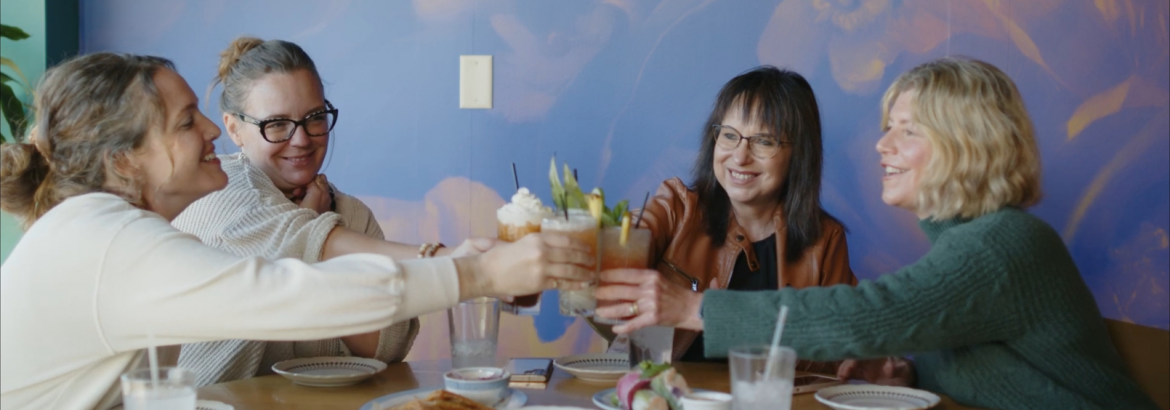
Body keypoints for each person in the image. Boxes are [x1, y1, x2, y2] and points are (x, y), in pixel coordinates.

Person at [0, 52, 594, 410]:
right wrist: (476, 273)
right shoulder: (107, 243)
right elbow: (289, 294)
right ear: (124, 159)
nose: (212, 127)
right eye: (186, 121)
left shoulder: (99, 232)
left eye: (313, 119)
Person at [596, 57, 1158, 409]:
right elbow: (1000, 364)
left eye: (906, 131)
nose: (880, 145)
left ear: (970, 144)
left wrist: (694, 310)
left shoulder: (1002, 244)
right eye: (887, 127)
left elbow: (869, 314)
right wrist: (911, 368)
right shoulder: (972, 243)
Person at [170, 37, 438, 386]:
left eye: (314, 118)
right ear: (234, 129)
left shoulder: (352, 214)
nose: (302, 140)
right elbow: (288, 249)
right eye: (277, 124)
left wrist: (317, 226)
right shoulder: (219, 191)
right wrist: (314, 221)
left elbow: (388, 344)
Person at [595, 67, 856, 367]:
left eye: (764, 141)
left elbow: (843, 344)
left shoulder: (825, 239)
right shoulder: (678, 208)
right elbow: (624, 241)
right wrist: (596, 246)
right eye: (730, 135)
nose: (740, 156)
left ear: (799, 154)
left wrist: (875, 365)